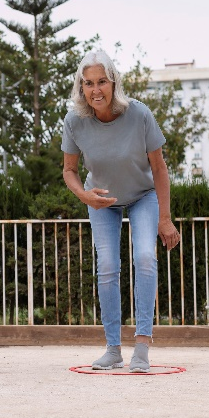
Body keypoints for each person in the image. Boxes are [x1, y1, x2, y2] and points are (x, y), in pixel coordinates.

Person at [61, 50, 181, 373]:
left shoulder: (139, 114)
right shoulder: (74, 121)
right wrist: (86, 196)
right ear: (80, 87)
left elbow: (159, 168)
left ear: (113, 82)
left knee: (144, 257)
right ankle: (113, 349)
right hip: (101, 200)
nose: (95, 90)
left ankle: (141, 347)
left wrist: (165, 218)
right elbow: (69, 171)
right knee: (108, 266)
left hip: (142, 195)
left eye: (102, 81)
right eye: (88, 83)